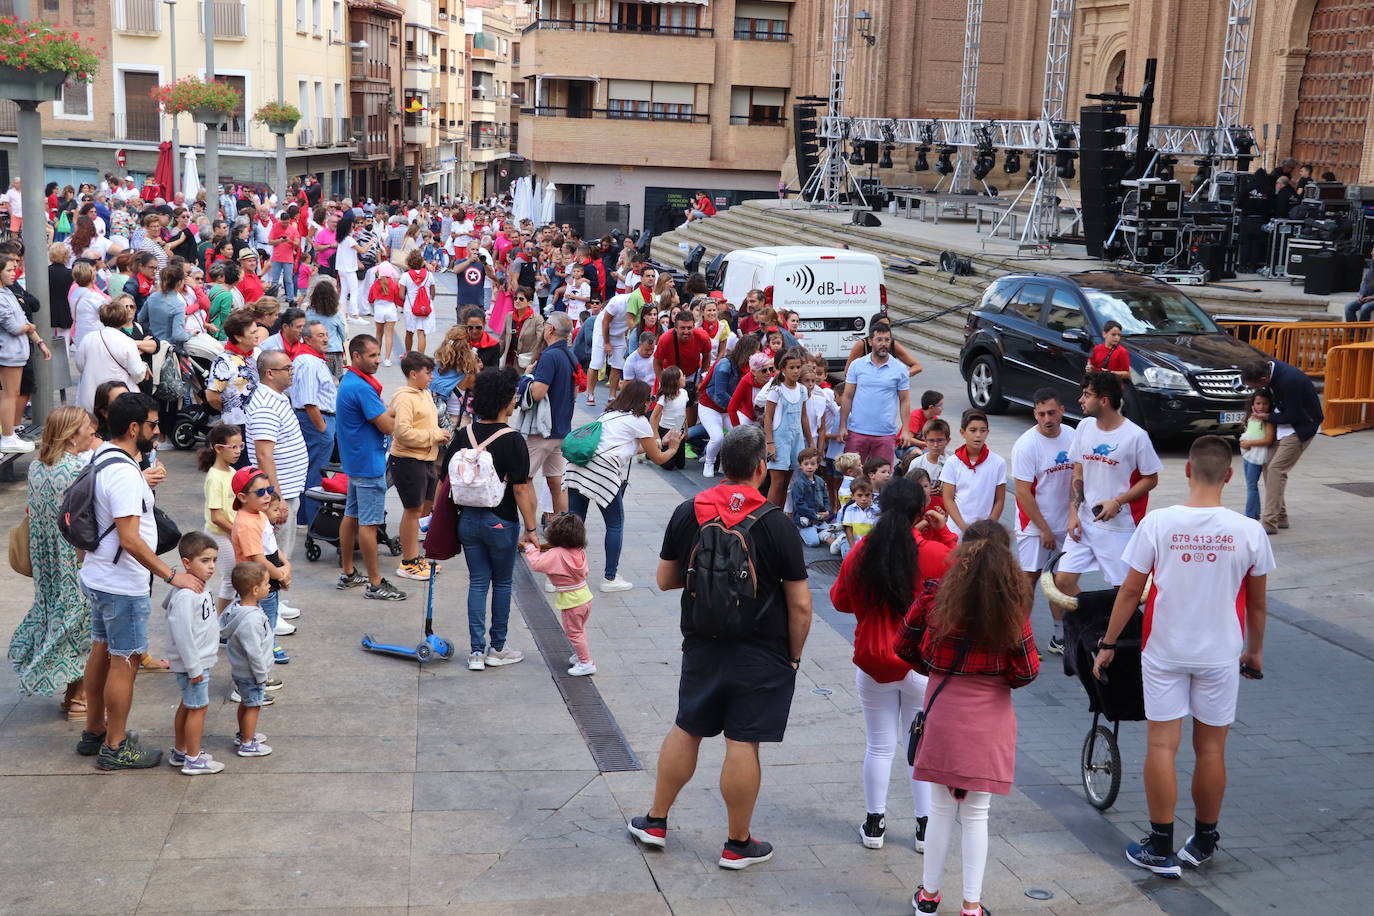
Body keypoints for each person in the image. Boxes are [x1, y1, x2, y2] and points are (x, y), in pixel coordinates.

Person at [629, 425, 811, 868]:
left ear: (724, 465)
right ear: (760, 468)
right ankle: (737, 843)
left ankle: (655, 821)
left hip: (702, 641)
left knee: (687, 727)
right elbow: (802, 604)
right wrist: (793, 657)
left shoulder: (689, 510)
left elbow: (665, 579)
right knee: (743, 741)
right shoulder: (776, 522)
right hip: (762, 649)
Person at [1092, 435, 1273, 878]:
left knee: (1161, 745)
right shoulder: (1250, 531)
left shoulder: (1159, 523)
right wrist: (1254, 651)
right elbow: (1257, 604)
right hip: (1220, 653)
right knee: (1211, 749)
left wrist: (1108, 643)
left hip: (1165, 650)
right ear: (1229, 476)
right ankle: (1205, 840)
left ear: (1188, 471)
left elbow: (1132, 591)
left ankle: (1160, 845)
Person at [907, 520, 1039, 916]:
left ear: (962, 552)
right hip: (990, 715)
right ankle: (971, 906)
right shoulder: (1013, 607)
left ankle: (928, 898)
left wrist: (935, 669)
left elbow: (905, 645)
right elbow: (1028, 671)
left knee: (941, 808)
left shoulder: (935, 595)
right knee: (977, 813)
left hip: (943, 709)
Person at [78, 392, 203, 770]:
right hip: (120, 582)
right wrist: (171, 575)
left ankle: (94, 731)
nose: (158, 430)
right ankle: (115, 746)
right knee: (125, 660)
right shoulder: (124, 473)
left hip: (99, 575)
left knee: (102, 649)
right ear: (134, 428)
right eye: (152, 424)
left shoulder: (102, 456)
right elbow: (130, 538)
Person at [832, 476, 954, 852]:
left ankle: (874, 824)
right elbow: (957, 581)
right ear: (921, 511)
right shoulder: (930, 552)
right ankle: (923, 829)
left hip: (872, 658)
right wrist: (943, 535)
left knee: (879, 746)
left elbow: (839, 600)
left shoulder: (863, 550)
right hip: (919, 664)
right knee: (919, 747)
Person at [444, 367, 538, 670]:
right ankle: (497, 648)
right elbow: (521, 489)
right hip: (501, 521)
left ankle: (475, 652)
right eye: (512, 397)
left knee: (478, 583)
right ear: (502, 401)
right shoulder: (513, 439)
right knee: (502, 583)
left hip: (467, 522)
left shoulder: (463, 434)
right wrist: (532, 529)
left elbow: (444, 478)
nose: (514, 402)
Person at [9, 407, 97, 719]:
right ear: (72, 434)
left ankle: (71, 693)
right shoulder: (76, 470)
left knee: (59, 619)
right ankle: (77, 696)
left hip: (46, 562)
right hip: (72, 560)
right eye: (88, 427)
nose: (93, 432)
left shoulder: (37, 468)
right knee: (80, 623)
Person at [1053, 371, 1162, 623]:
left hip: (1119, 528)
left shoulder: (1135, 437)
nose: (1081, 399)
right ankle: (1097, 624)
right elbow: (1078, 469)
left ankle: (1123, 638)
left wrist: (1118, 502)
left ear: (1104, 400)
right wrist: (1073, 514)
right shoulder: (1084, 427)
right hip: (1084, 523)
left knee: (1124, 591)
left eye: (1087, 394)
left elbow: (1151, 478)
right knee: (1063, 581)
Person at [564, 380, 682, 592]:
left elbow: (628, 446)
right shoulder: (639, 420)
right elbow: (658, 459)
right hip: (603, 470)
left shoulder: (608, 414)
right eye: (651, 399)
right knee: (615, 523)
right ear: (644, 401)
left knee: (574, 521)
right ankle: (610, 578)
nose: (651, 403)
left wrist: (661, 442)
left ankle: (563, 575)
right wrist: (673, 447)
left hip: (577, 466)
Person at [335, 334, 407, 601]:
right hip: (368, 465)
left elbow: (381, 414)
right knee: (369, 523)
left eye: (379, 355)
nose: (378, 361)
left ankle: (348, 572)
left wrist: (388, 411)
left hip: (356, 463)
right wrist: (400, 410)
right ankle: (375, 583)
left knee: (351, 516)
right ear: (356, 357)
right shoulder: (362, 388)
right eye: (372, 356)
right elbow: (388, 426)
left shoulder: (351, 381)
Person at [1009, 389, 1076, 645]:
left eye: (1051, 412)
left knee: (1060, 582)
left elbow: (1076, 481)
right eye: (1040, 414)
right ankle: (1019, 639)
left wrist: (1074, 516)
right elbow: (1023, 493)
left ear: (1062, 410)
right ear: (1034, 414)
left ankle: (1059, 638)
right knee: (1031, 580)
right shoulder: (1026, 445)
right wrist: (1044, 529)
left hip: (1065, 526)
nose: (1046, 419)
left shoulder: (1073, 436)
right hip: (1034, 528)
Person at [163, 531, 225, 776]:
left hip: (196, 662)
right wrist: (194, 667)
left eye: (214, 560)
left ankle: (181, 751)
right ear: (187, 563)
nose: (211, 567)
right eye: (205, 561)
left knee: (188, 705)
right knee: (198, 708)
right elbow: (182, 634)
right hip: (194, 664)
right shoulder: (187, 595)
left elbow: (166, 604)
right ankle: (193, 758)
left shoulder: (197, 587)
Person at [1240, 358, 1323, 534]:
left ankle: (1269, 522)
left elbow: (1294, 415)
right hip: (1283, 426)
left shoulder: (1289, 381)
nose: (1255, 391)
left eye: (1254, 386)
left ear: (1264, 380)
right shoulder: (1270, 369)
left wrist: (1266, 418)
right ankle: (1281, 516)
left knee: (1276, 469)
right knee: (1269, 467)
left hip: (1301, 427)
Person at [389, 351, 452, 580]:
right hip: (408, 460)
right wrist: (433, 435)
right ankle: (407, 562)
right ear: (413, 374)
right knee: (412, 510)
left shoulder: (424, 393)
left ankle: (415, 556)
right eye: (428, 372)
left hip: (426, 459)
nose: (432, 376)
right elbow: (402, 432)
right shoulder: (405, 397)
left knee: (424, 508)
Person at [246, 349, 310, 576]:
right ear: (270, 373)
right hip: (279, 493)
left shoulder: (278, 397)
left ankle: (274, 599)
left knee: (281, 550)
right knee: (275, 553)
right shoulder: (265, 405)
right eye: (287, 369)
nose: (292, 373)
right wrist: (277, 497)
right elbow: (263, 455)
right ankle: (271, 602)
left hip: (288, 489)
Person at [229, 466, 291, 662]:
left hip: (268, 578)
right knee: (263, 621)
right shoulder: (247, 524)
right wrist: (281, 575)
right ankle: (263, 653)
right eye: (261, 492)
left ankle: (268, 645)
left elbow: (272, 547)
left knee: (269, 617)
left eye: (269, 490)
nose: (267, 496)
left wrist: (286, 564)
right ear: (243, 497)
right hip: (256, 583)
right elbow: (258, 559)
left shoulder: (260, 514)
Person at [523, 513, 597, 676]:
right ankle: (581, 656)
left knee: (573, 632)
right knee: (580, 629)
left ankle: (586, 663)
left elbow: (537, 564)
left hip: (572, 602)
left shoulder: (556, 553)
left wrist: (530, 548)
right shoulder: (579, 552)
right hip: (585, 597)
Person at [838, 321, 914, 465]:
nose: (884, 343)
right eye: (879, 340)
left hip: (885, 434)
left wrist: (906, 430)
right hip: (857, 431)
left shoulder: (900, 369)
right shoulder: (857, 365)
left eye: (887, 340)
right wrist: (843, 426)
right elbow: (847, 396)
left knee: (881, 480)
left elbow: (905, 400)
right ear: (871, 341)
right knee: (853, 477)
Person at [525, 313, 578, 515]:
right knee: (556, 482)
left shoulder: (549, 356)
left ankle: (528, 532)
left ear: (551, 330)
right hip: (561, 430)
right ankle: (561, 532)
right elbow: (575, 391)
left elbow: (537, 393)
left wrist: (526, 379)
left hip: (543, 431)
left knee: (523, 479)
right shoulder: (569, 355)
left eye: (546, 324)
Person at [221, 561, 274, 758]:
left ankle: (244, 733)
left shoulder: (238, 609)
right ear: (255, 589)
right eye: (267, 583)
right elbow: (254, 652)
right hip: (252, 674)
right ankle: (247, 743)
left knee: (246, 702)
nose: (269, 586)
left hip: (242, 671)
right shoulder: (250, 620)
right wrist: (262, 675)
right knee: (253, 705)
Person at [0, 253, 51, 452]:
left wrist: (38, 340)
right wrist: (29, 327)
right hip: (9, 353)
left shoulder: (8, 292)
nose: (14, 273)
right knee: (10, 394)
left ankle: (9, 434)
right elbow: (15, 326)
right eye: (9, 270)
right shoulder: (3, 296)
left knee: (11, 393)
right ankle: (8, 435)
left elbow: (21, 320)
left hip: (16, 352)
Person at [290, 321, 338, 528]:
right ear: (307, 339)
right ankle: (312, 518)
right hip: (316, 420)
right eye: (320, 335)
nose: (325, 339)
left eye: (326, 334)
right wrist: (323, 428)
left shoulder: (312, 360)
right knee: (315, 470)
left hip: (320, 419)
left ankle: (306, 516)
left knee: (312, 467)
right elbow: (310, 401)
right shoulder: (309, 362)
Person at [695, 337, 760, 478]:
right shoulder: (725, 365)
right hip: (709, 406)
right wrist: (737, 407)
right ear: (747, 352)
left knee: (738, 436)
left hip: (728, 408)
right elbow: (720, 394)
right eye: (755, 352)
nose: (757, 354)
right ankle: (709, 462)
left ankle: (724, 464)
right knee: (717, 437)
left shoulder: (746, 367)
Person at [939, 409, 1006, 538]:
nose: (978, 435)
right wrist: (964, 528)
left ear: (988, 432)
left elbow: (999, 500)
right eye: (973, 430)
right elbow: (948, 499)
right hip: (956, 531)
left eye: (983, 430)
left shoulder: (998, 463)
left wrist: (989, 526)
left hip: (985, 533)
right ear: (962, 432)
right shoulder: (952, 462)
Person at [199, 423, 245, 613]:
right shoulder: (215, 477)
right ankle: (220, 623)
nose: (238, 452)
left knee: (236, 577)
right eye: (232, 447)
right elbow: (216, 516)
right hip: (219, 534)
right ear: (218, 448)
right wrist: (237, 532)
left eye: (240, 446)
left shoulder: (232, 472)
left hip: (230, 532)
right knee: (230, 579)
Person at [73, 299, 149, 409]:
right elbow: (137, 373)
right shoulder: (127, 342)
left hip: (90, 395)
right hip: (118, 399)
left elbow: (80, 365)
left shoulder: (88, 338)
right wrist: (144, 366)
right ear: (123, 319)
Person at [762, 347, 812, 507]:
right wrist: (770, 444)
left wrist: (810, 441)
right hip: (779, 440)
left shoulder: (802, 390)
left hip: (796, 440)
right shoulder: (776, 390)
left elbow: (804, 417)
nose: (796, 371)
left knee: (787, 482)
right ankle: (768, 516)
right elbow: (768, 418)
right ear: (783, 369)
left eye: (798, 367)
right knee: (777, 481)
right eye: (791, 367)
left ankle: (780, 515)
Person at [205, 311, 260, 453]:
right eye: (252, 332)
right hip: (237, 424)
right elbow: (212, 396)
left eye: (257, 330)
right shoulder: (224, 361)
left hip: (259, 421)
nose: (257, 334)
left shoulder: (256, 354)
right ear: (238, 337)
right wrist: (230, 408)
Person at [1238, 388, 1276, 521]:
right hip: (1248, 455)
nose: (1261, 407)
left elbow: (1268, 440)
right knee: (1251, 485)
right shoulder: (1251, 417)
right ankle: (1255, 513)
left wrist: (1250, 443)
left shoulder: (1268, 421)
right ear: (1253, 404)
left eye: (1265, 404)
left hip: (1257, 456)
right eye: (1258, 403)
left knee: (1251, 485)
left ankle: (1249, 515)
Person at [787, 447, 834, 547]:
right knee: (814, 542)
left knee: (833, 533)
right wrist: (814, 515)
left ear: (817, 465)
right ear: (801, 465)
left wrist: (827, 511)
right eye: (806, 464)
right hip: (804, 519)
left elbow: (826, 498)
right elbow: (799, 503)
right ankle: (801, 530)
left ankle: (821, 533)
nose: (809, 467)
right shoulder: (798, 483)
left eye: (812, 464)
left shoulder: (820, 481)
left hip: (819, 518)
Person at [306, 276, 347, 377]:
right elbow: (343, 335)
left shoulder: (309, 312)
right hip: (333, 351)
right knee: (336, 381)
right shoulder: (336, 314)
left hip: (314, 351)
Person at [651, 366, 690, 472]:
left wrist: (685, 429)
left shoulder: (684, 393)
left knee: (680, 464)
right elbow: (654, 417)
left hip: (678, 428)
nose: (685, 377)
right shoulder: (665, 397)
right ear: (676, 381)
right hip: (666, 429)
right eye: (682, 376)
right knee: (668, 466)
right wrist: (657, 437)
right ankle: (651, 453)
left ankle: (661, 453)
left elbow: (682, 412)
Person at [399, 249, 437, 355]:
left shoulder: (405, 276)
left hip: (410, 308)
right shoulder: (429, 275)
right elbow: (433, 293)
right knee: (421, 332)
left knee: (409, 331)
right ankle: (420, 356)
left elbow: (401, 295)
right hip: (425, 306)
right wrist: (427, 301)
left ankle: (408, 354)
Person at [367, 262, 403, 366]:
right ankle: (387, 359)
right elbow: (397, 299)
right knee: (389, 335)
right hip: (390, 309)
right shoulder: (393, 284)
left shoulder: (375, 284)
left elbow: (370, 298)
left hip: (379, 310)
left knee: (378, 334)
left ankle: (377, 356)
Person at [838, 478, 878, 559]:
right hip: (855, 543)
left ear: (872, 495)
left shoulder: (877, 510)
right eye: (859, 495)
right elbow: (848, 529)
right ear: (853, 496)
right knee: (848, 557)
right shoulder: (850, 509)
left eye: (867, 495)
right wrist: (853, 548)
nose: (864, 498)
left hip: (870, 545)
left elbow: (878, 531)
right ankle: (840, 542)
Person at [1342, 248, 1374, 322]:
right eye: (1372, 250)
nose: (1371, 253)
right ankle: (1353, 332)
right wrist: (1361, 294)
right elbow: (1365, 281)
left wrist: (1372, 297)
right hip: (1367, 296)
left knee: (1365, 308)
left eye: (1373, 251)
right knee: (1349, 307)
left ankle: (1362, 332)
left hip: (1372, 298)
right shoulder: (1372, 265)